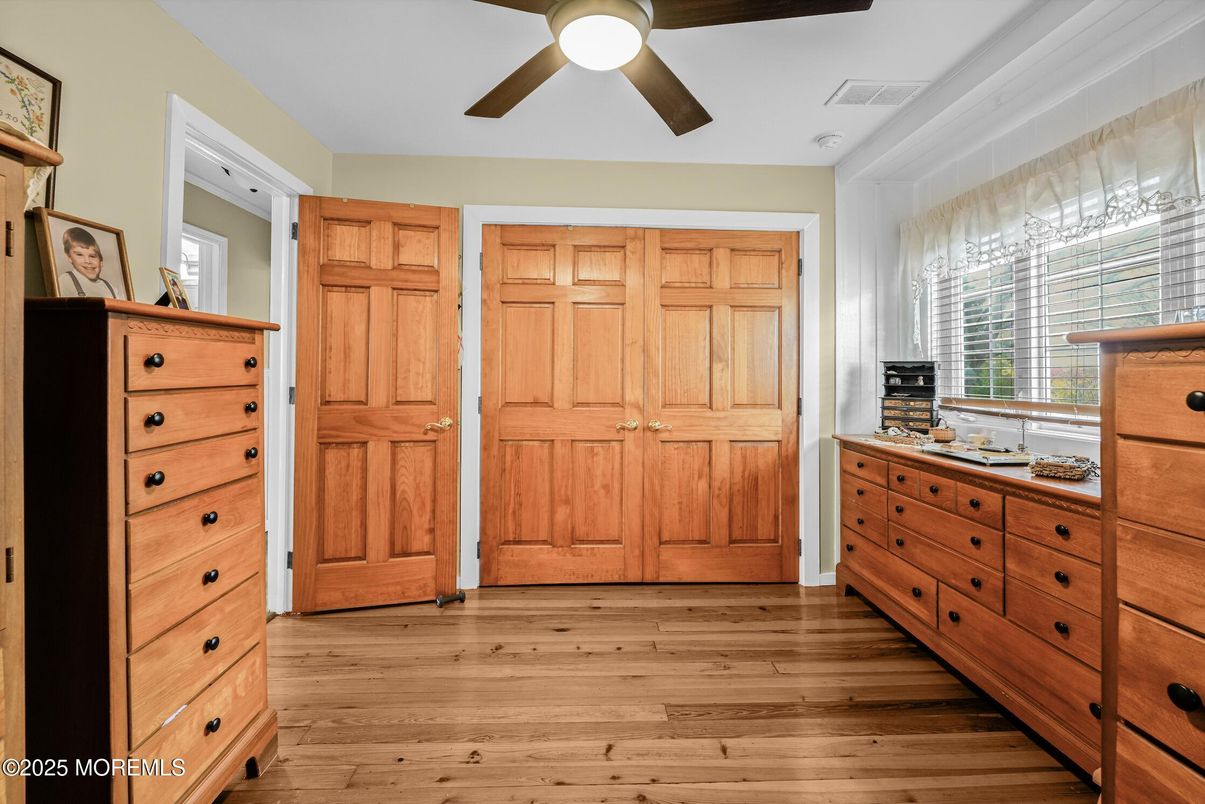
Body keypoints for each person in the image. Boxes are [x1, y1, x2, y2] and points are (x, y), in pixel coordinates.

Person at [58, 226, 125, 299]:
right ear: (69, 257)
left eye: (92, 256)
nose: (87, 261)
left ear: (101, 261)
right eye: (79, 255)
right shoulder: (65, 281)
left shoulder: (111, 288)